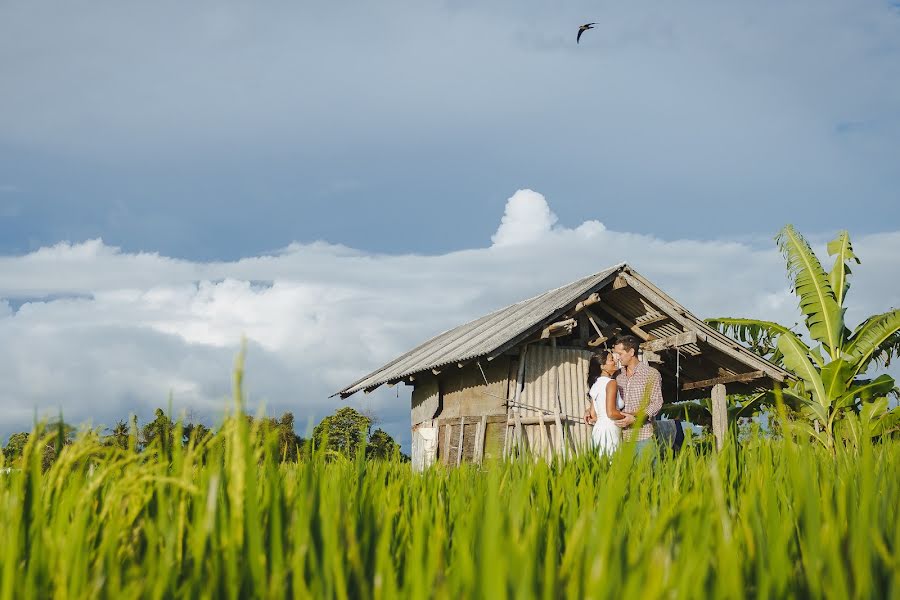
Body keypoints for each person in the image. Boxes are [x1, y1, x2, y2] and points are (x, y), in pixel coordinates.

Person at [610, 335, 664, 455]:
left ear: (631, 352)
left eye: (620, 353)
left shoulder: (651, 373)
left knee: (647, 473)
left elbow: (657, 403)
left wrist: (635, 419)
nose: (617, 358)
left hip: (643, 436)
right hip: (620, 438)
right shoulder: (617, 376)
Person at [585, 350, 627, 456]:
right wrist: (630, 416)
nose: (615, 361)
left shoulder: (595, 385)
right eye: (611, 359)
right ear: (603, 366)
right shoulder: (611, 383)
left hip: (598, 430)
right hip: (610, 430)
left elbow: (593, 416)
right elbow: (611, 413)